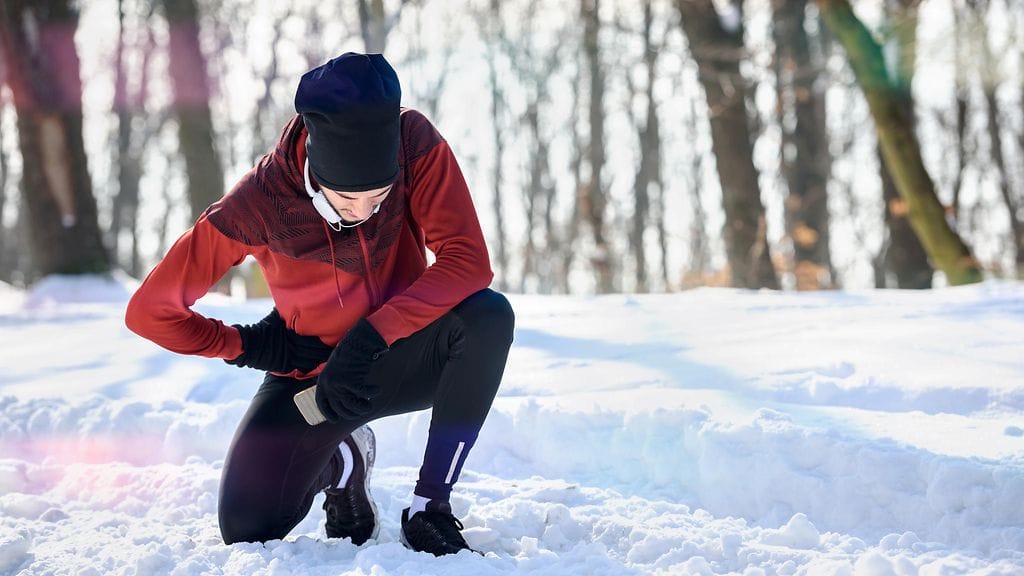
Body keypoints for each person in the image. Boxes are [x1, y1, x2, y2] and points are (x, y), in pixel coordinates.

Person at [125, 52, 514, 556]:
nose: (365, 213)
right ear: (313, 171)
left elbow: (468, 261)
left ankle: (429, 506)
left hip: (400, 356)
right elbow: (150, 311)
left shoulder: (414, 142)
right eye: (349, 201)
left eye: (379, 198)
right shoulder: (259, 202)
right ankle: (342, 461)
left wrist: (370, 337)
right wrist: (248, 345)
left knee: (488, 316)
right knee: (247, 528)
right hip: (314, 381)